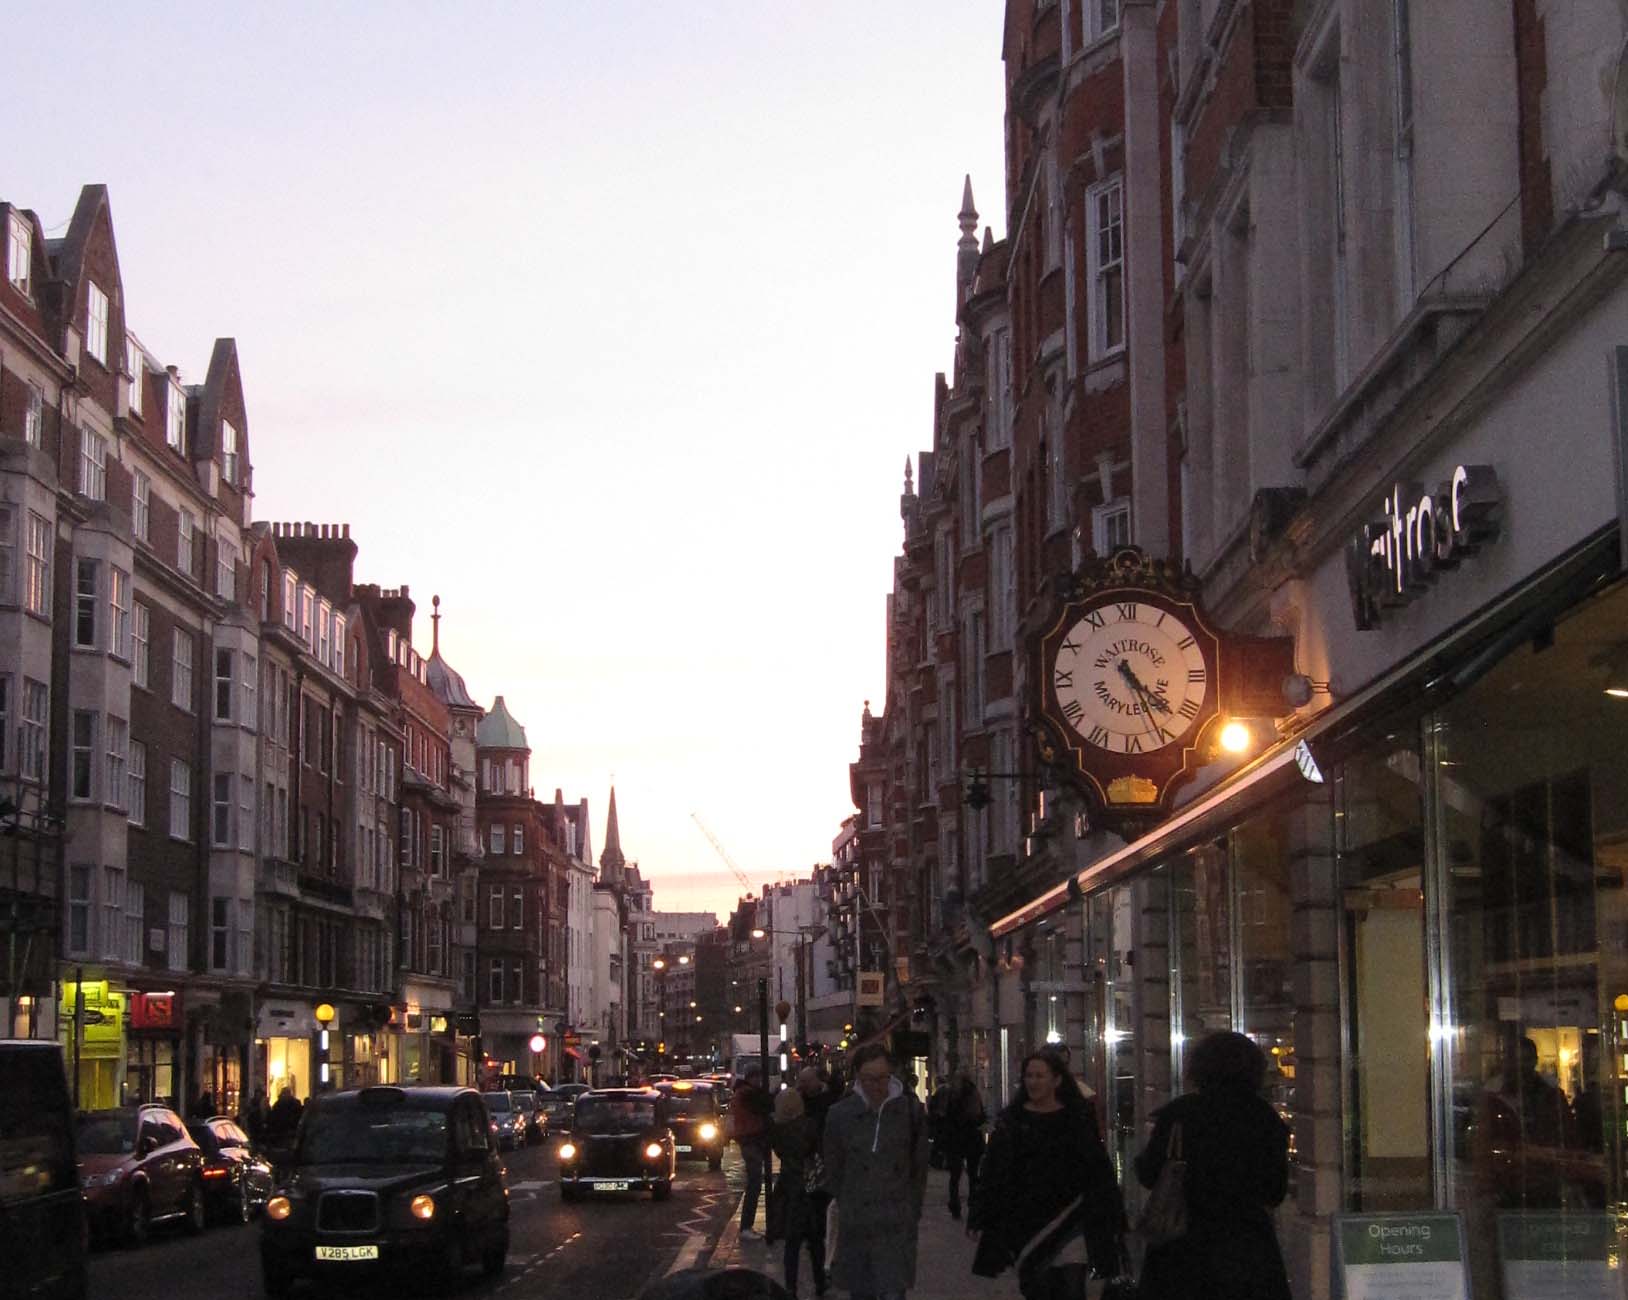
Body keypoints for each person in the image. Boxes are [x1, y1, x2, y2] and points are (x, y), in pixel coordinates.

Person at [1134, 1030, 1291, 1300]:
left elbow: (1149, 1174)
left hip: (1183, 1246)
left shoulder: (1180, 1114)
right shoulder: (1264, 1118)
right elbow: (1274, 1191)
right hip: (1246, 1248)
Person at [970, 1050, 1122, 1300]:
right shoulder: (1012, 1122)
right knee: (1038, 1288)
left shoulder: (1077, 1117)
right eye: (1029, 1076)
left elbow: (1098, 1168)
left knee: (1072, 1289)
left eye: (1040, 1076)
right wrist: (979, 1215)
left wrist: (1113, 1215)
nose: (1033, 1081)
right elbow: (993, 1171)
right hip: (1027, 1222)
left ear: (1057, 1080)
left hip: (1072, 1218)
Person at [822, 1042, 930, 1300]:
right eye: (868, 1079)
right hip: (857, 1225)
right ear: (858, 1077)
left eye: (881, 1078)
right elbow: (833, 1166)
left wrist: (911, 1210)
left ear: (890, 1075)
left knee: (894, 1291)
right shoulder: (839, 1115)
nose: (875, 1085)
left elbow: (919, 1167)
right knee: (862, 1292)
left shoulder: (909, 1111)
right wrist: (848, 1202)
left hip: (896, 1224)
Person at [769, 1087, 826, 1298]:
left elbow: (779, 1152)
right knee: (815, 1240)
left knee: (792, 1244)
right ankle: (820, 1283)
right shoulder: (810, 1125)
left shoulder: (778, 1130)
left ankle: (791, 1287)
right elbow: (817, 1150)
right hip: (811, 1188)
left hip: (790, 1188)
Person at [939, 1071, 987, 1220]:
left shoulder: (952, 1095)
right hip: (972, 1139)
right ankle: (973, 1204)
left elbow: (945, 1118)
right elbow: (980, 1117)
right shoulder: (974, 1094)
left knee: (955, 1176)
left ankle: (955, 1206)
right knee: (973, 1175)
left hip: (956, 1140)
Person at [732, 1068, 773, 1239]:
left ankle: (747, 1227)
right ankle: (746, 1227)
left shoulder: (742, 1092)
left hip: (750, 1139)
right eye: (757, 1078)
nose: (760, 1082)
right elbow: (766, 1106)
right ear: (751, 1078)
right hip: (751, 1140)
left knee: (755, 1182)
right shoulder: (748, 1094)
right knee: (755, 1183)